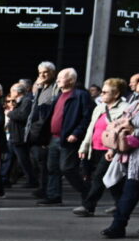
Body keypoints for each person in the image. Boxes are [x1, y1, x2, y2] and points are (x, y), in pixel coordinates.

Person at [101, 68, 139, 238]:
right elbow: (121, 125)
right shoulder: (135, 103)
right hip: (130, 152)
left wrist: (135, 131)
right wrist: (113, 148)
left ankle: (118, 225)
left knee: (132, 187)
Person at [73, 78, 129, 217]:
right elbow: (91, 129)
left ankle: (88, 206)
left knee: (99, 177)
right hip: (95, 148)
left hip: (111, 150)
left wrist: (113, 149)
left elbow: (123, 131)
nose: (101, 95)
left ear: (116, 94)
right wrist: (84, 147)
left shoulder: (125, 108)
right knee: (113, 181)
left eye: (105, 92)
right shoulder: (99, 107)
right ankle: (120, 205)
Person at [38, 68, 92, 206]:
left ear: (71, 80)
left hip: (68, 138)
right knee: (52, 168)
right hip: (54, 138)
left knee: (67, 168)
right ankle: (54, 195)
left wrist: (76, 133)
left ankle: (87, 192)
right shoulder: (59, 95)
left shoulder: (80, 95)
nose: (57, 80)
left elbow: (87, 117)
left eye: (61, 77)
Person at [26, 62, 58, 199]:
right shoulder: (40, 88)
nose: (42, 75)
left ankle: (49, 191)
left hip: (47, 133)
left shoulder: (56, 88)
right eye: (40, 73)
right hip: (36, 131)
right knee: (39, 162)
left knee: (48, 165)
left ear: (53, 72)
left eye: (45, 72)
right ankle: (42, 187)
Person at [5, 81, 36, 188]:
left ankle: (32, 180)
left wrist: (9, 113)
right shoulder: (20, 101)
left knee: (24, 160)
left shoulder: (26, 101)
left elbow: (23, 116)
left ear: (17, 92)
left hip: (19, 136)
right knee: (10, 159)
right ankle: (6, 179)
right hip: (14, 135)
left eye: (11, 91)